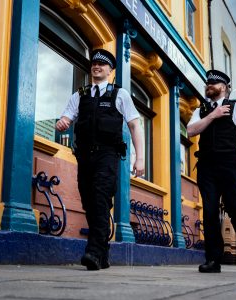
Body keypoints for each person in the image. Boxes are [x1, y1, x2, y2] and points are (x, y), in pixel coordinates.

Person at [56, 49, 144, 270]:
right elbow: (67, 116)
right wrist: (62, 122)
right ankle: (103, 254)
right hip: (85, 156)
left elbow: (135, 125)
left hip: (108, 154)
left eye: (102, 65)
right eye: (94, 63)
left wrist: (140, 158)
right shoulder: (80, 95)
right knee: (89, 201)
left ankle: (94, 252)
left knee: (100, 198)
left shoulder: (120, 94)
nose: (97, 67)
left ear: (110, 71)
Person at [187, 70, 236, 273]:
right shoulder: (202, 109)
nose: (209, 85)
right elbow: (191, 130)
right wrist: (213, 115)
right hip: (207, 166)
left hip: (230, 164)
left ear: (225, 87)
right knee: (209, 212)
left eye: (214, 83)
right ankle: (213, 260)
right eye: (208, 83)